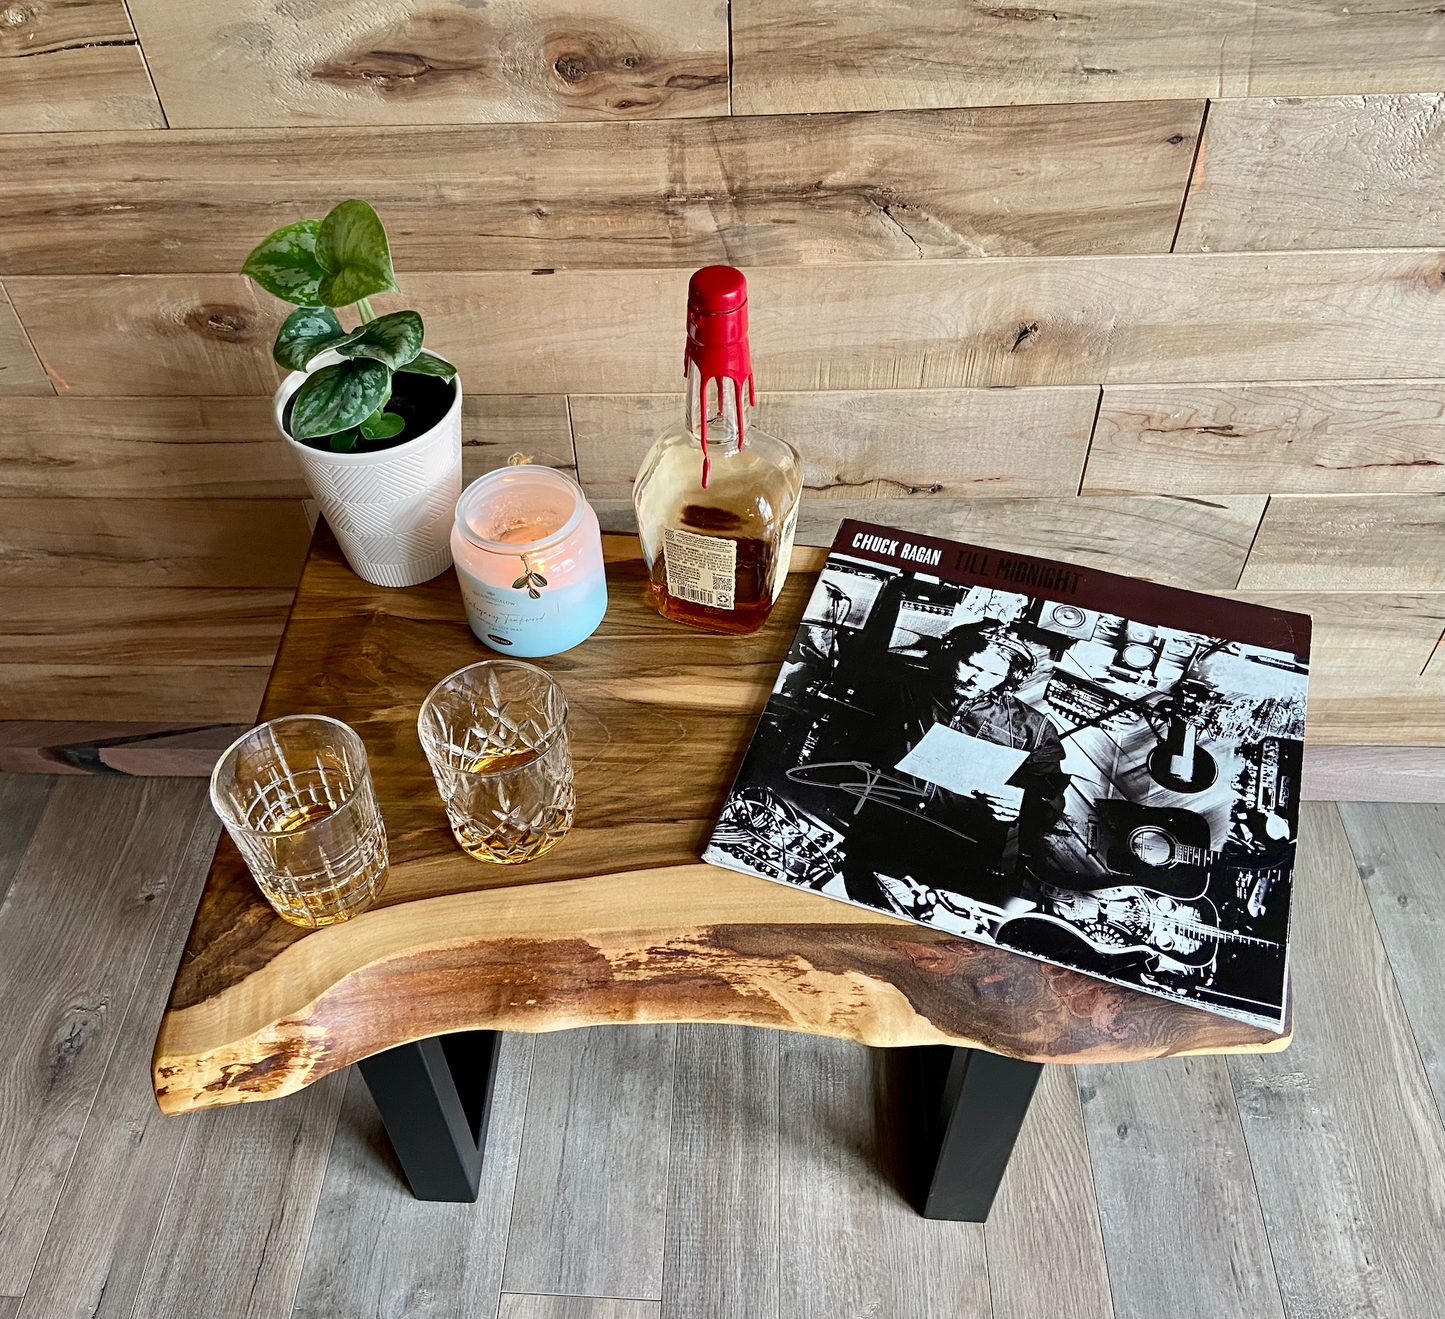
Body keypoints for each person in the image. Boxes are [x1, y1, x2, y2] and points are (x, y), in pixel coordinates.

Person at [840, 619, 1068, 912]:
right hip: (882, 831)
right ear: (953, 654)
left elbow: (1050, 798)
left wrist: (1023, 802)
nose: (976, 679)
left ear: (1009, 678)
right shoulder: (904, 688)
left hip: (960, 855)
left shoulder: (1033, 729)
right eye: (970, 664)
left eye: (993, 673)